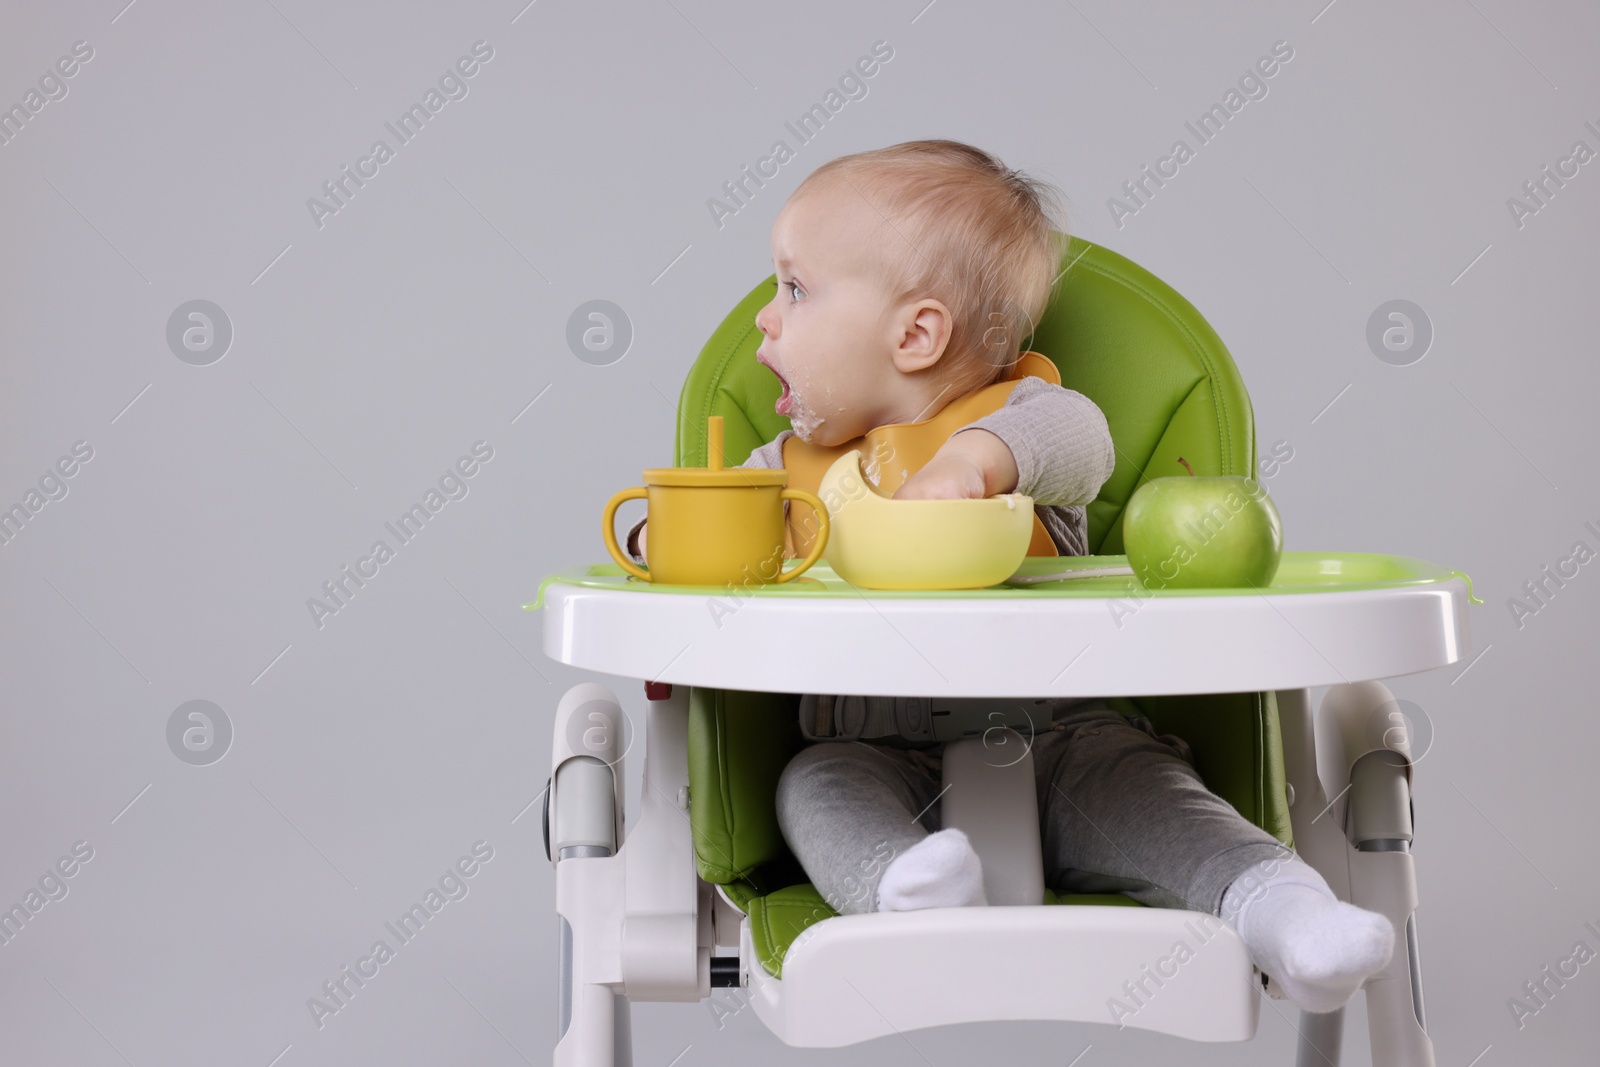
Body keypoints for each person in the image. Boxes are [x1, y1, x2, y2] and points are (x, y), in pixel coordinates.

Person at [630, 139, 1393, 1015]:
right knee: (814, 789)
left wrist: (976, 462)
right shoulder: (786, 464)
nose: (765, 317)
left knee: (1166, 802)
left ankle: (1289, 914)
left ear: (916, 333)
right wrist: (674, 538)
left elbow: (1081, 445)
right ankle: (907, 889)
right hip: (870, 749)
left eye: (794, 289)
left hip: (1074, 741)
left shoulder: (1032, 414)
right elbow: (720, 539)